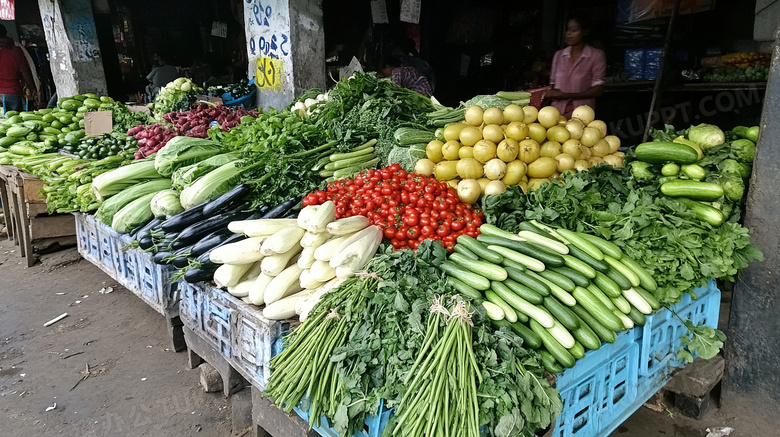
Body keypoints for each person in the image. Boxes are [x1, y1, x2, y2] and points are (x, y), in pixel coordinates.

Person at [546, 12, 606, 119]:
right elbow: (552, 86)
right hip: (555, 115)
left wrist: (566, 95)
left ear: (585, 32)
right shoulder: (559, 56)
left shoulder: (596, 55)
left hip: (582, 115)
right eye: (568, 30)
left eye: (574, 30)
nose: (569, 34)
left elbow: (598, 90)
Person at [0, 24, 36, 113]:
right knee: (13, 123)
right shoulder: (15, 50)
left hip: (8, 92)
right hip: (12, 92)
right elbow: (25, 71)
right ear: (6, 34)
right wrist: (32, 88)